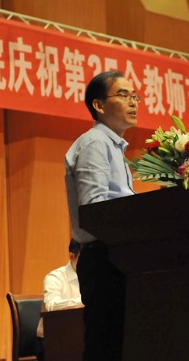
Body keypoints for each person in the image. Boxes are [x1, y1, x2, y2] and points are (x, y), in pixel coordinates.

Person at [64, 70, 139, 361]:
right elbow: (95, 209)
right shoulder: (95, 143)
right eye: (123, 95)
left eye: (135, 96)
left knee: (120, 346)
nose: (133, 102)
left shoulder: (113, 146)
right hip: (105, 258)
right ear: (99, 105)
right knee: (105, 348)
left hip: (118, 256)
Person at [36, 239, 83, 340]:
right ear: (72, 257)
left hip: (80, 335)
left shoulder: (94, 278)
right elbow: (52, 306)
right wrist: (85, 301)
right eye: (85, 258)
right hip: (52, 339)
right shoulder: (54, 278)